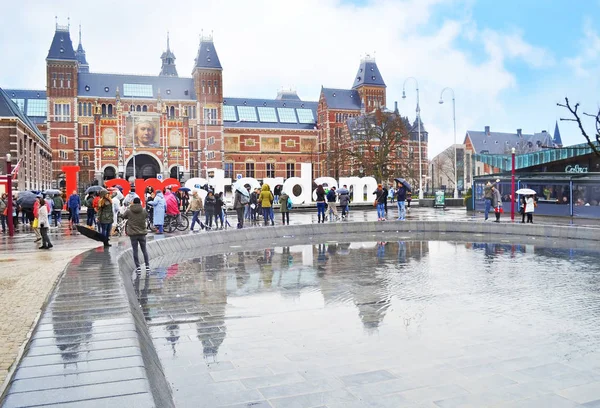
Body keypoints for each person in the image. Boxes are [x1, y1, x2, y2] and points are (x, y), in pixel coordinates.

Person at [123, 197, 150, 275]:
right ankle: (147, 266)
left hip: (133, 234)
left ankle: (138, 267)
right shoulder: (144, 211)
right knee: (144, 250)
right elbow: (146, 216)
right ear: (140, 203)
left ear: (133, 202)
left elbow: (123, 216)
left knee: (135, 250)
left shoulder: (129, 211)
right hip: (142, 233)